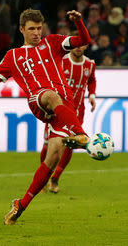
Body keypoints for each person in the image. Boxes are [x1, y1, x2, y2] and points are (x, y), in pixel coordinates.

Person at [0, 8, 92, 225]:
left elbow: (84, 39)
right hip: (40, 100)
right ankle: (81, 134)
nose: (36, 33)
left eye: (39, 28)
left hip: (65, 106)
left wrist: (79, 22)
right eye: (32, 29)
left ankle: (21, 205)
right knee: (52, 96)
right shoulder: (13, 56)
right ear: (22, 30)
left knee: (53, 157)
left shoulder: (53, 42)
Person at [40, 45, 97, 193]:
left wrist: (92, 95)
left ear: (85, 46)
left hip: (77, 112)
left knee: (71, 144)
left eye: (81, 45)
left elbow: (91, 80)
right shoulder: (61, 61)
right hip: (56, 111)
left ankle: (55, 178)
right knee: (48, 144)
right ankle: (43, 180)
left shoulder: (89, 64)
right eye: (75, 46)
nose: (78, 48)